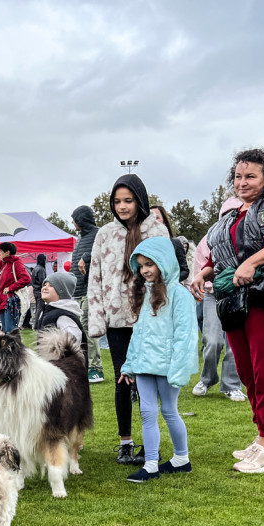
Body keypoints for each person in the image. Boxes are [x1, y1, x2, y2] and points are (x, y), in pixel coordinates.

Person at [190, 148, 264, 473]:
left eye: (250, 176)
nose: (242, 182)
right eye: (238, 176)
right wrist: (202, 273)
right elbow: (220, 254)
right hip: (233, 302)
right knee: (246, 372)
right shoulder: (232, 215)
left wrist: (252, 261)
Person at [87, 174, 169, 465]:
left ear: (139, 200)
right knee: (122, 379)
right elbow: (94, 278)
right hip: (116, 320)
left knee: (149, 380)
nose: (122, 206)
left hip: (149, 318)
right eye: (117, 201)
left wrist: (163, 313)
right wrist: (97, 317)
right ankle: (125, 441)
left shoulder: (157, 232)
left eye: (128, 200)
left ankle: (150, 443)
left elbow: (167, 276)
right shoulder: (104, 234)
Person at [120, 237, 198, 483]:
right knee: (146, 412)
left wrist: (178, 369)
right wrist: (129, 365)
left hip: (166, 367)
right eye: (141, 266)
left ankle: (181, 458)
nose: (145, 270)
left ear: (164, 262)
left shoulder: (180, 295)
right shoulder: (147, 294)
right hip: (144, 365)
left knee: (169, 410)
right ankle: (151, 463)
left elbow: (185, 336)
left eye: (149, 264)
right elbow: (139, 334)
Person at [191, 232, 245, 401]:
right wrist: (204, 283)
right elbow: (201, 263)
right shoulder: (209, 239)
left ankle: (232, 385)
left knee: (234, 344)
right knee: (212, 340)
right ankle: (207, 379)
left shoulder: (247, 236)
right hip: (213, 293)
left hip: (238, 293)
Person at [68, 206, 104, 384]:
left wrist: (87, 258)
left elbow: (103, 253)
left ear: (81, 219)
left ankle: (96, 369)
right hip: (80, 291)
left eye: (74, 218)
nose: (72, 221)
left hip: (92, 290)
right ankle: (86, 366)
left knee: (88, 330)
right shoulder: (81, 237)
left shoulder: (98, 234)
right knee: (81, 331)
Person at [0, 241, 31, 333]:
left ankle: (16, 347)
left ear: (7, 252)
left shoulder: (16, 263)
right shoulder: (4, 265)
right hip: (3, 302)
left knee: (10, 331)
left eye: (0, 251)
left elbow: (26, 278)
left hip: (10, 302)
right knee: (5, 331)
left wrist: (11, 288)